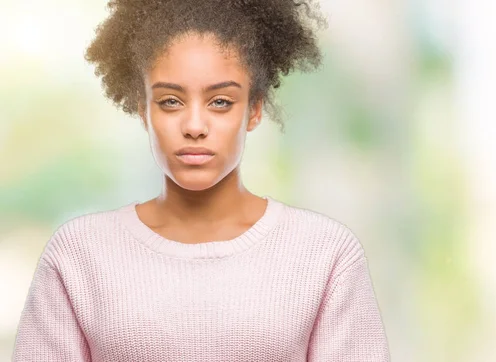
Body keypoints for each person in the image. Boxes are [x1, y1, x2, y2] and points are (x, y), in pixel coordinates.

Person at [12, 0, 390, 361]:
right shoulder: (78, 257)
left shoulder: (325, 255)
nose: (194, 126)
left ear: (255, 110)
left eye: (221, 102)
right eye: (171, 102)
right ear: (143, 109)